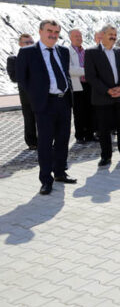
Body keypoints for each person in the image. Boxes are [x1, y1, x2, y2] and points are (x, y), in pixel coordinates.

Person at [16, 20, 76, 195]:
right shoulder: (27, 52)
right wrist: (36, 97)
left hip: (63, 102)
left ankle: (59, 173)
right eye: (50, 31)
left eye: (57, 32)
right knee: (45, 142)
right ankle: (46, 179)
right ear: (41, 31)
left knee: (63, 139)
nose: (53, 35)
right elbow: (22, 78)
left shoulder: (63, 51)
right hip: (44, 104)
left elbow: (65, 74)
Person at [84, 24, 120, 166]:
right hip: (102, 97)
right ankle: (106, 156)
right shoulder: (91, 52)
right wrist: (107, 90)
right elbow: (90, 76)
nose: (113, 37)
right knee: (104, 129)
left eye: (115, 34)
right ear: (102, 35)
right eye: (110, 34)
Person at [6, 33, 38, 150]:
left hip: (42, 93)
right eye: (26, 42)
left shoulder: (39, 56)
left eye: (31, 42)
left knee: (44, 118)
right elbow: (14, 77)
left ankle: (46, 139)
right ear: (20, 44)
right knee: (29, 118)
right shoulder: (13, 59)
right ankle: (32, 142)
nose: (29, 44)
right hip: (26, 94)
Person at [68, 29, 96, 143]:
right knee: (79, 111)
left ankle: (90, 134)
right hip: (76, 85)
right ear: (70, 38)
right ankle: (80, 136)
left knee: (90, 110)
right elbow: (70, 69)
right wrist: (87, 71)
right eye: (76, 36)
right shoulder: (67, 51)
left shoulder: (85, 51)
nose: (79, 38)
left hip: (88, 84)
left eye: (80, 36)